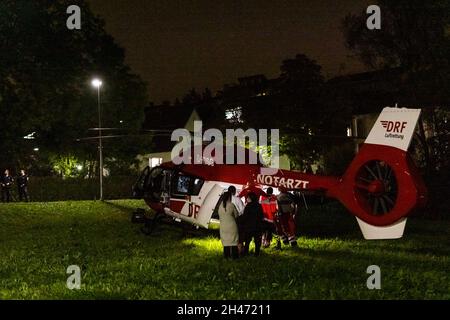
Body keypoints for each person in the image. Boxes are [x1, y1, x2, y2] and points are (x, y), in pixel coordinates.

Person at [239, 192, 264, 256]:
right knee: (257, 241)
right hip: (257, 226)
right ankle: (257, 253)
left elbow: (245, 216)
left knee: (247, 241)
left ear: (250, 198)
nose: (247, 199)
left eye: (247, 197)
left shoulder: (248, 206)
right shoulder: (259, 205)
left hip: (249, 226)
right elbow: (261, 216)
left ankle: (246, 252)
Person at [218, 191, 239, 259]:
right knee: (234, 243)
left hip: (223, 226)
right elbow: (236, 215)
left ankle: (226, 257)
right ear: (229, 197)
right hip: (232, 226)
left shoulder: (220, 206)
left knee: (226, 243)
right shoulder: (231, 205)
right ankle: (235, 258)